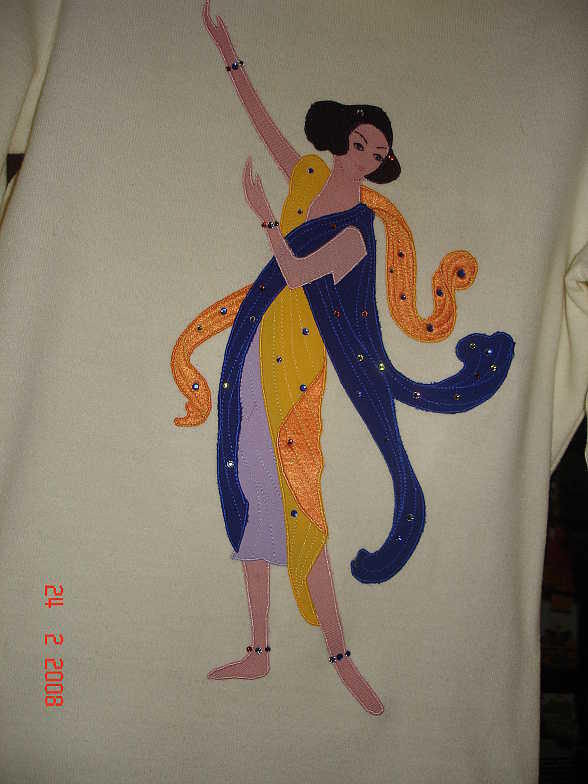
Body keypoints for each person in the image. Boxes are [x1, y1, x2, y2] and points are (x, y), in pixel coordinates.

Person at [170, 0, 513, 716]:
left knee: (301, 501)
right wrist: (228, 52)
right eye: (360, 144)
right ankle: (260, 650)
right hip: (256, 347)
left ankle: (341, 656)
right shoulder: (305, 176)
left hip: (297, 367)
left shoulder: (357, 231)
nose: (364, 157)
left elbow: (297, 273)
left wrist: (265, 218)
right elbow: (263, 122)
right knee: (249, 484)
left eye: (376, 156)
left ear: (381, 167)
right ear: (343, 138)